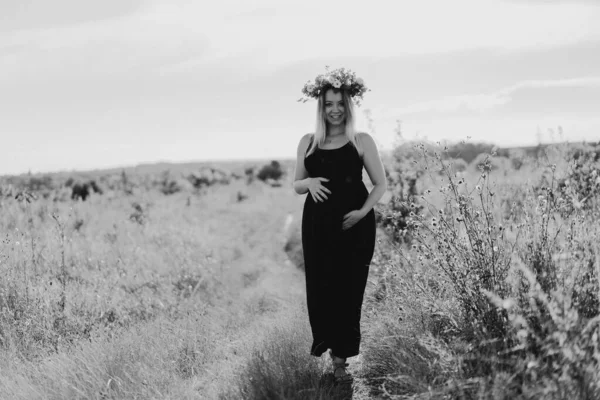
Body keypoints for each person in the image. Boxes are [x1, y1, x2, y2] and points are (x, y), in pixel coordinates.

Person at [292, 67, 387, 384]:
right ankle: (329, 348)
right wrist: (309, 180)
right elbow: (296, 185)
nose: (334, 109)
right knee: (322, 289)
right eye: (328, 104)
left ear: (348, 106)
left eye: (340, 103)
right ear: (321, 107)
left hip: (354, 228)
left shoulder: (360, 140)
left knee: (349, 290)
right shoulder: (308, 141)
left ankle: (341, 361)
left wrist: (361, 213)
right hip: (318, 227)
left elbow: (380, 184)